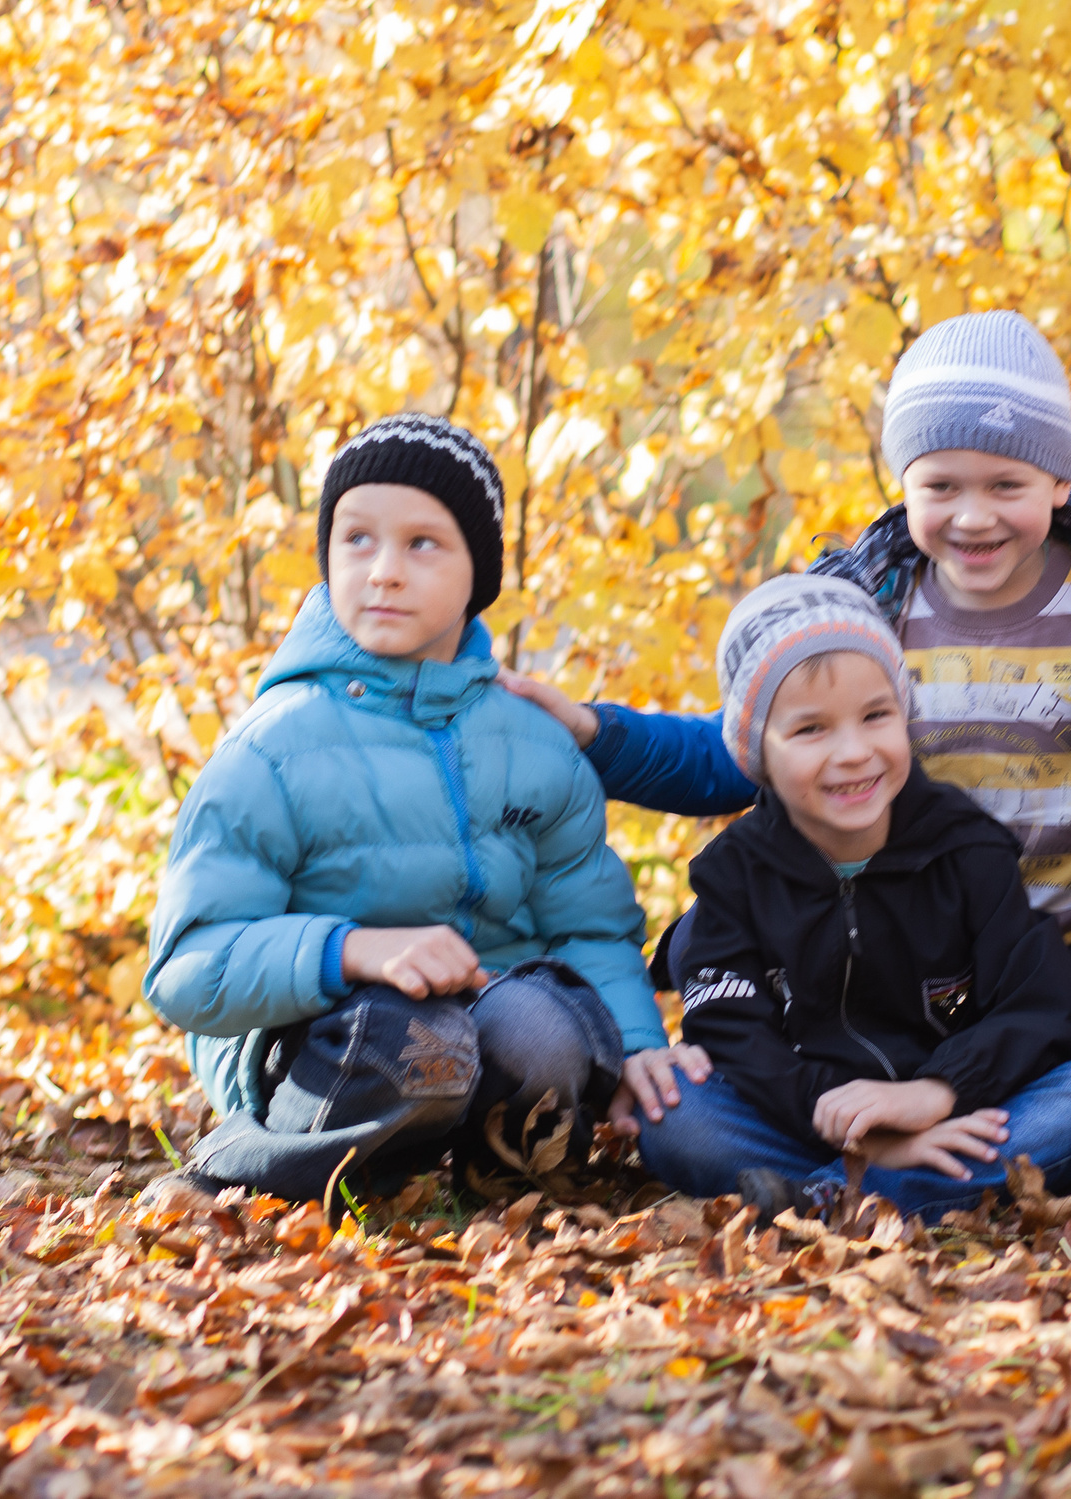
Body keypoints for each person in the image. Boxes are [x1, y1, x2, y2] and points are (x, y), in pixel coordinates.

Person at [501, 311, 1071, 1058]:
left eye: (1007, 483)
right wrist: (594, 734)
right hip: (897, 960)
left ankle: (939, 1143)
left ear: (1060, 480)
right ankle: (875, 1135)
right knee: (718, 1105)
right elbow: (736, 750)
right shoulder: (858, 610)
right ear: (904, 483)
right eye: (941, 485)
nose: (972, 514)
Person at [144, 414, 704, 1208]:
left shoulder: (536, 745)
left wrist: (638, 1042)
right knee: (416, 1038)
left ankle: (490, 1175)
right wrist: (352, 949)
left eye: (422, 544)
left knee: (542, 1029)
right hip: (321, 1036)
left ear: (479, 572)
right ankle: (254, 1165)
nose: (384, 571)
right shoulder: (274, 747)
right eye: (357, 539)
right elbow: (186, 967)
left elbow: (589, 927)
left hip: (483, 1020)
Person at [631, 574, 1071, 1220]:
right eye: (811, 729)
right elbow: (735, 1037)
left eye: (875, 716)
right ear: (758, 752)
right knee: (676, 1113)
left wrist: (937, 1091)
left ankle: (828, 1196)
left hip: (954, 1109)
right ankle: (870, 1182)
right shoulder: (732, 876)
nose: (854, 752)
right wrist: (861, 1133)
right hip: (807, 1115)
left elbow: (1046, 1004)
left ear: (904, 715)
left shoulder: (965, 846)